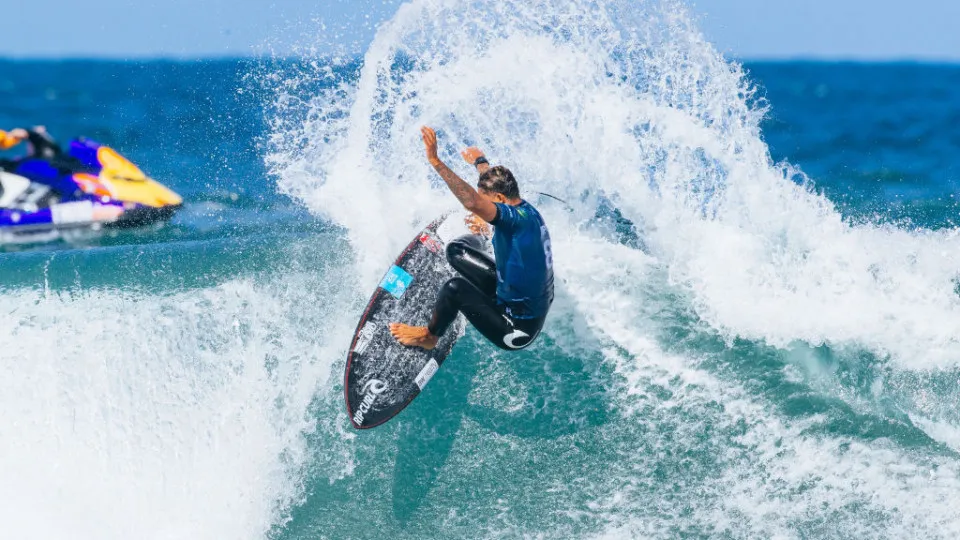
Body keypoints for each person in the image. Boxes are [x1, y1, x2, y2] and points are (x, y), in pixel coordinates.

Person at [389, 126, 554, 351]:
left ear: (499, 198)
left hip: (518, 326)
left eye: (487, 203)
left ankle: (429, 337)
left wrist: (435, 161)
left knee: (454, 288)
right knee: (455, 250)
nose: (482, 208)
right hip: (511, 291)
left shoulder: (514, 219)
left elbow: (472, 202)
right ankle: (482, 236)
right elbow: (493, 186)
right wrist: (480, 162)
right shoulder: (524, 211)